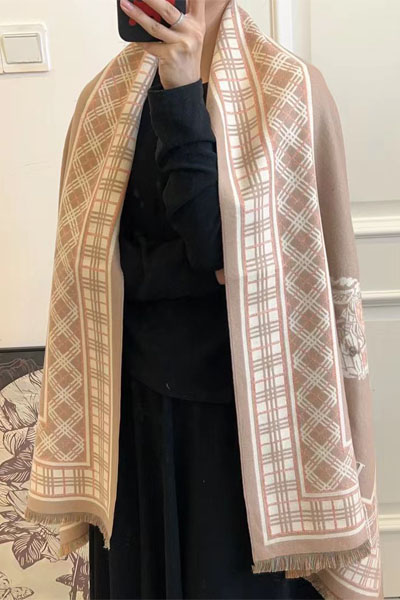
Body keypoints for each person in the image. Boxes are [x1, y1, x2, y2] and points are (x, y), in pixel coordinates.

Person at [88, 0, 324, 597]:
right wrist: (199, 268)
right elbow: (96, 264)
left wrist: (182, 91)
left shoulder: (286, 89)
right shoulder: (106, 102)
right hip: (135, 408)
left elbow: (218, 247)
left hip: (243, 418)